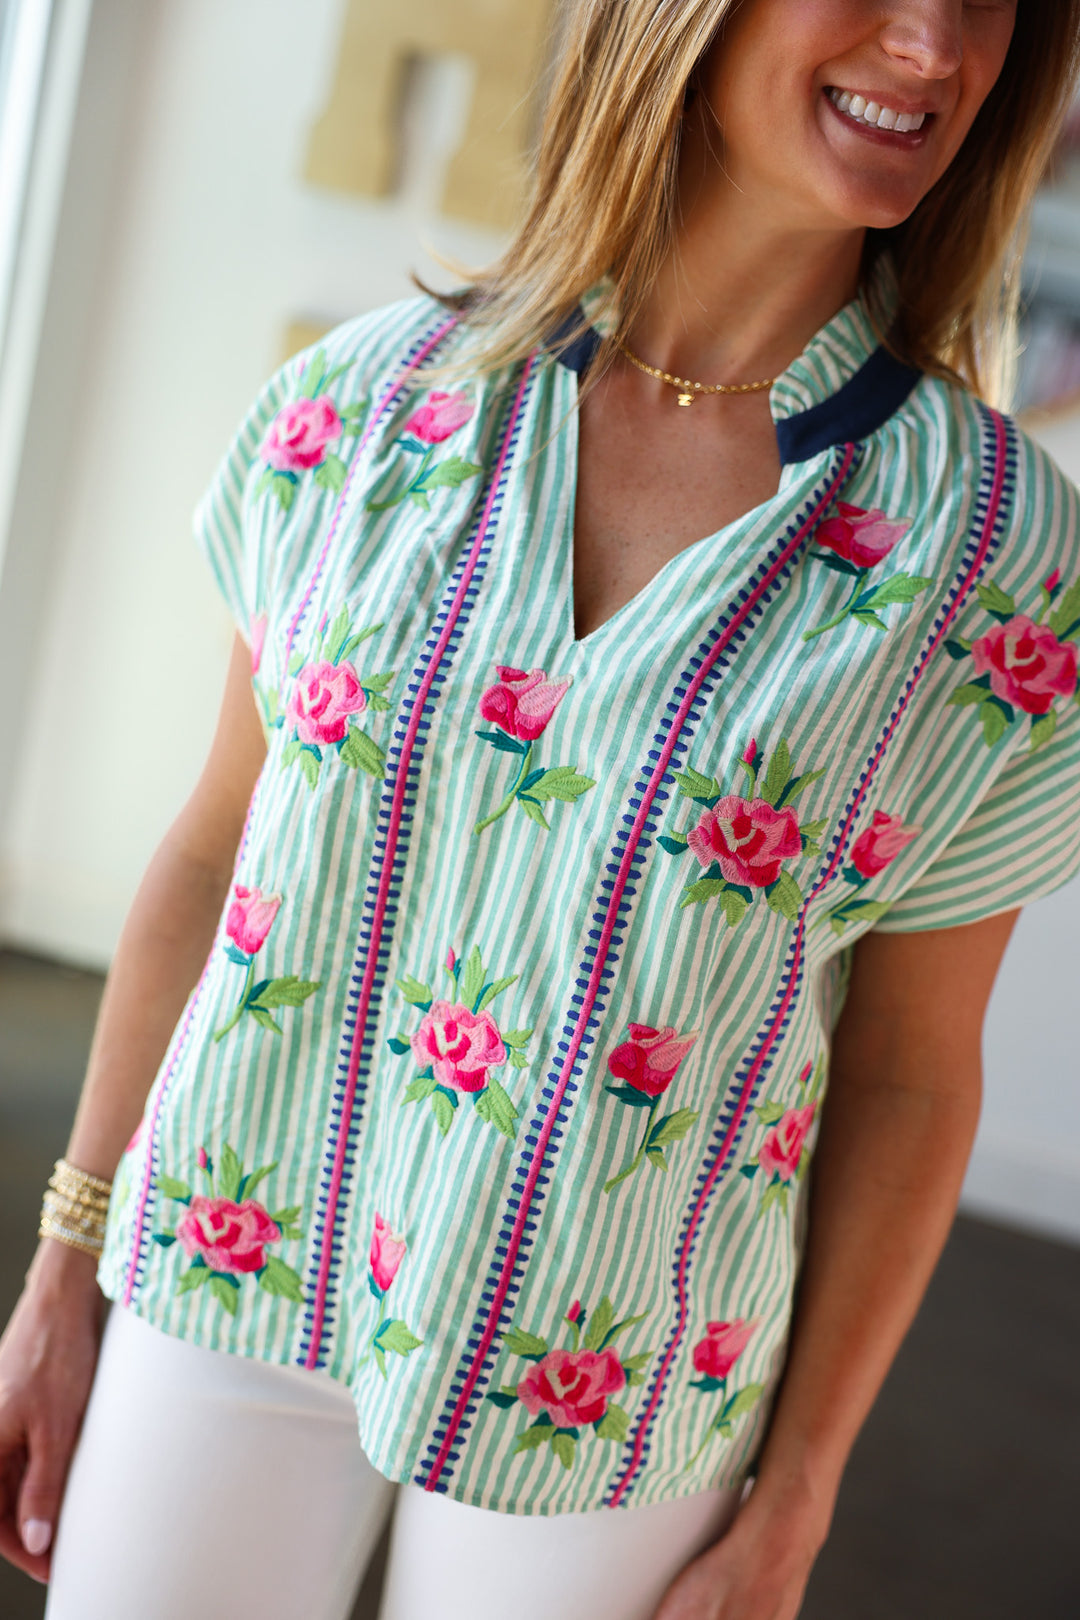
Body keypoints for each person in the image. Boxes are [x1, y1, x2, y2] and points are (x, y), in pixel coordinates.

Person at [3, 1, 1079, 1616]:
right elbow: (218, 850)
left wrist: (796, 1499)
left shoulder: (993, 559)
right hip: (228, 1263)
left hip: (622, 1380)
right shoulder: (361, 415)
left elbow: (913, 1076)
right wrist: (65, 1262)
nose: (935, 40)